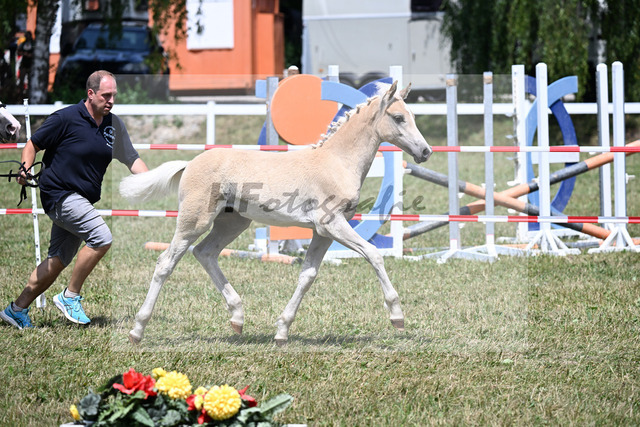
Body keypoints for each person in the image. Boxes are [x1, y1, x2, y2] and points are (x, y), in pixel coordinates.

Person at [1, 70, 148, 329]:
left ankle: (16, 309)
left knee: (58, 259)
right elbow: (33, 144)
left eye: (114, 95)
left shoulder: (114, 125)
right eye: (106, 95)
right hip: (59, 194)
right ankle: (70, 296)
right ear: (90, 93)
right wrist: (25, 169)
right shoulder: (66, 118)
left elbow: (131, 159)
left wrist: (152, 181)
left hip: (81, 200)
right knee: (101, 238)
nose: (111, 100)